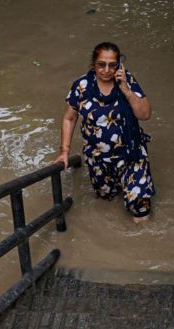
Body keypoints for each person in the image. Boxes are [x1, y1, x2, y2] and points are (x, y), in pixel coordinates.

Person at [54, 42, 155, 224]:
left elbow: (145, 114)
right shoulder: (82, 86)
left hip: (130, 155)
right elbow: (69, 118)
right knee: (107, 200)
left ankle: (141, 247)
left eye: (112, 65)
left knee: (139, 207)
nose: (107, 70)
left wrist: (125, 89)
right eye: (101, 64)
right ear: (94, 64)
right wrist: (64, 151)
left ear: (119, 65)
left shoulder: (127, 81)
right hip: (98, 159)